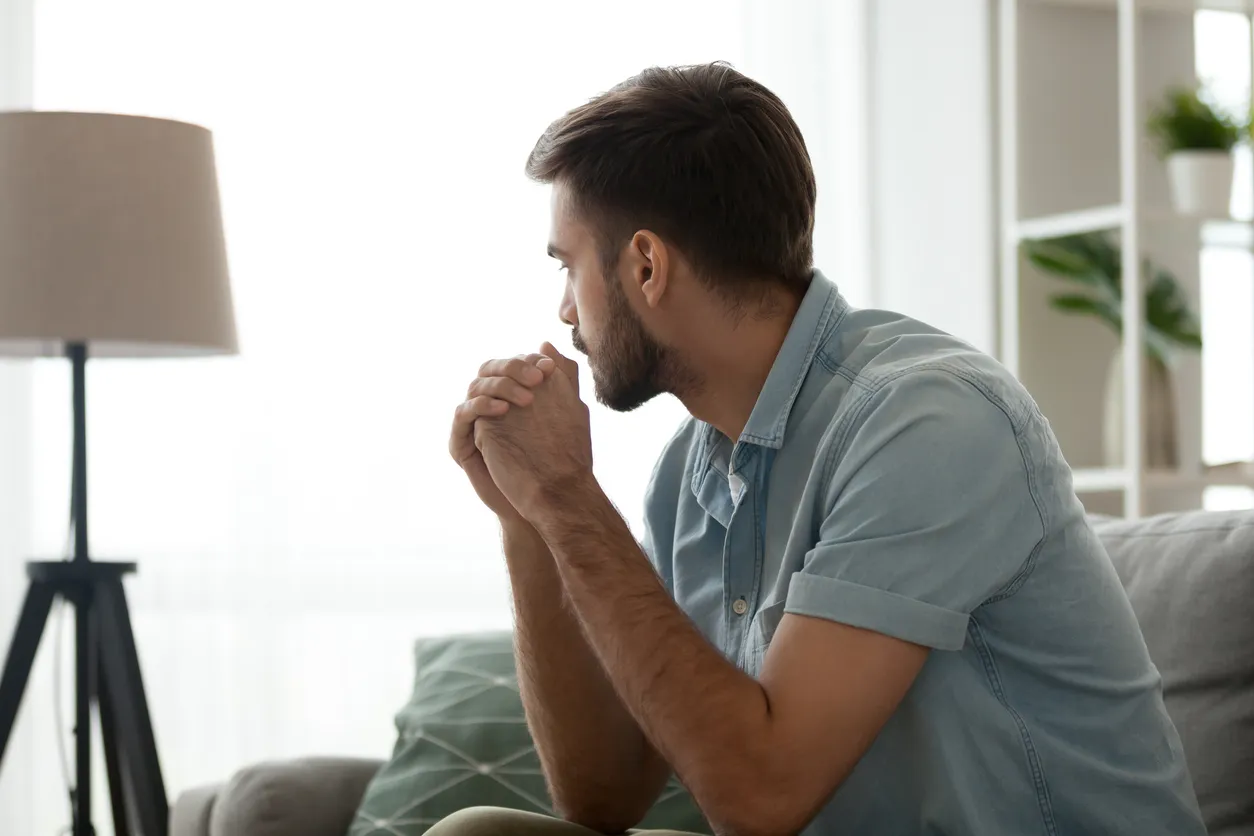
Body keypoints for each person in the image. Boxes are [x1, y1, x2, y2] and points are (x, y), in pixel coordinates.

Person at [438, 63, 1205, 836]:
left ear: (645, 266)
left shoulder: (928, 422)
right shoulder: (687, 473)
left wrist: (571, 496)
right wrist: (529, 519)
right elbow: (600, 800)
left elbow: (760, 798)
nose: (564, 308)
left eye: (568, 265)